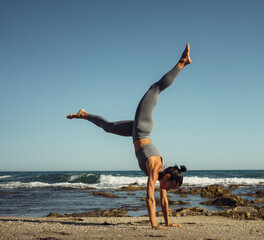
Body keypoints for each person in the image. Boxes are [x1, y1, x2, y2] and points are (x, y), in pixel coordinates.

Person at [67, 43, 191, 229]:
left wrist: (168, 223)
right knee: (155, 88)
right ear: (167, 178)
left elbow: (163, 201)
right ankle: (182, 62)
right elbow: (149, 197)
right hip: (142, 127)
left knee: (107, 127)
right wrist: (154, 225)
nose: (168, 190)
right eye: (170, 187)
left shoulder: (162, 174)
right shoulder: (155, 166)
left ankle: (83, 114)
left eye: (170, 190)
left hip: (136, 132)